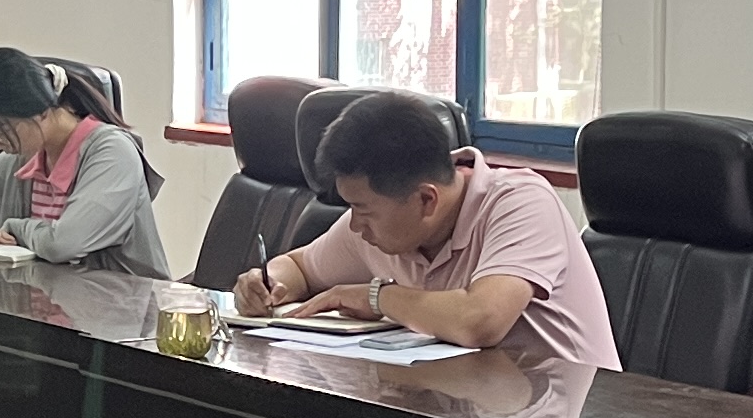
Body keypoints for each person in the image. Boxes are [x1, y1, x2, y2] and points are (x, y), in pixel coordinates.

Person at [232, 90, 614, 366]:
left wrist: (376, 298)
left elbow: (480, 320)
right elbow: (300, 268)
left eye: (363, 210)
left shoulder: (521, 203)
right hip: (468, 411)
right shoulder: (376, 224)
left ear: (426, 200)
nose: (355, 225)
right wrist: (268, 283)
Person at [0, 47, 168, 274]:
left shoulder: (112, 153)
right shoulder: (23, 160)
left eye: (2, 132)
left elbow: (64, 244)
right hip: (43, 297)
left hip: (119, 298)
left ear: (41, 112)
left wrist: (17, 228)